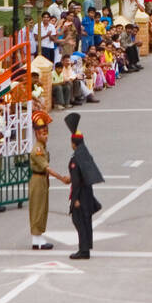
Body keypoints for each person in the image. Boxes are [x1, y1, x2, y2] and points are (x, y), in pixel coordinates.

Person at [28, 110, 69, 249]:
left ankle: (39, 237)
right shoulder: (37, 150)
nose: (45, 136)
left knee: (43, 208)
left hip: (42, 180)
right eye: (42, 133)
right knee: (37, 208)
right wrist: (61, 178)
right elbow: (47, 168)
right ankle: (36, 238)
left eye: (46, 133)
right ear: (36, 134)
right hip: (37, 180)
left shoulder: (43, 147)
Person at [65, 113, 103, 259]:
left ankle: (83, 249)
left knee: (79, 220)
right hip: (87, 193)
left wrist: (75, 199)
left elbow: (76, 181)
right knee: (85, 221)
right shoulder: (84, 154)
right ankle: (85, 248)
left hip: (81, 195)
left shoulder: (76, 158)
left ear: (73, 143)